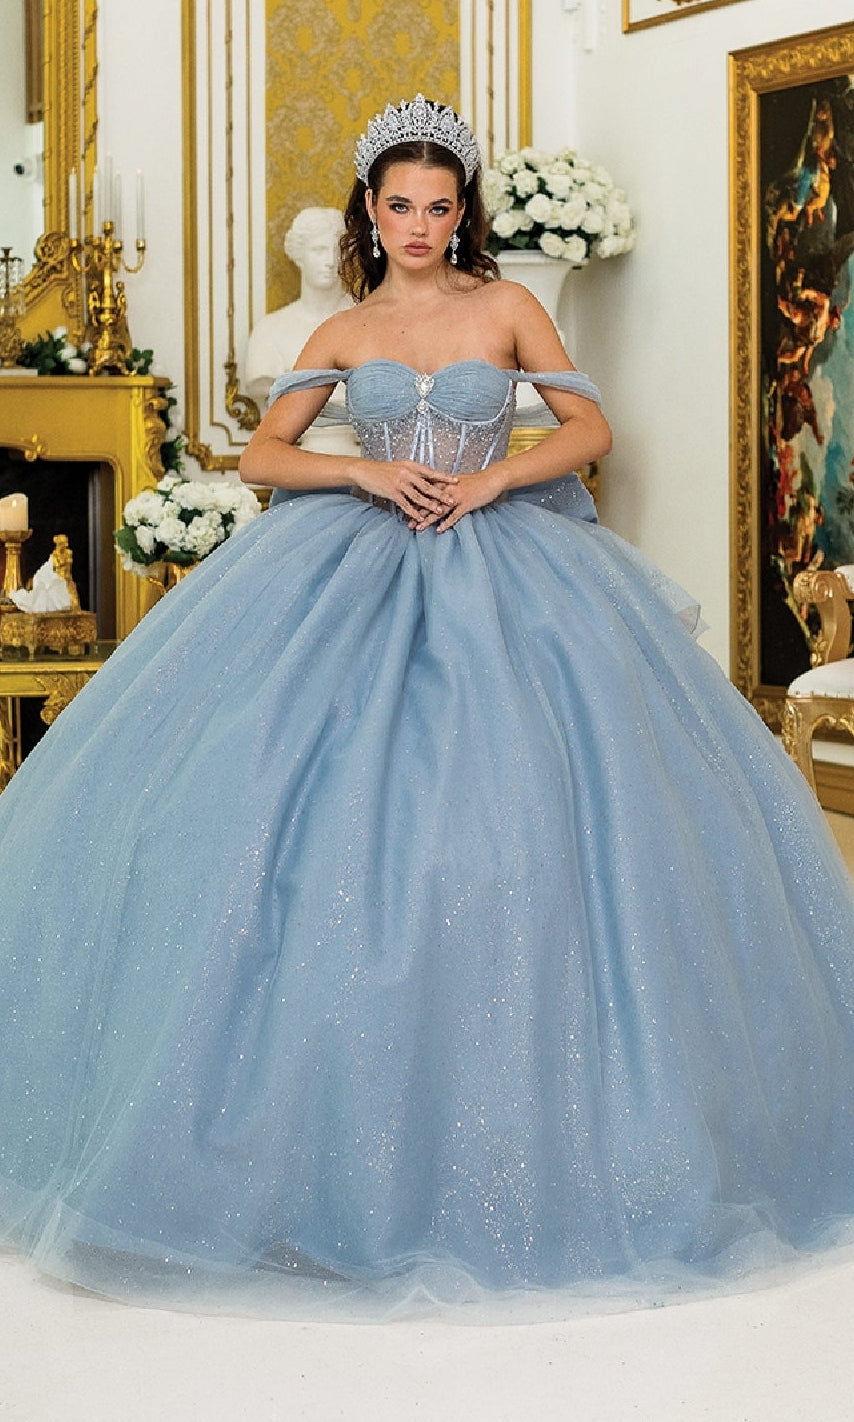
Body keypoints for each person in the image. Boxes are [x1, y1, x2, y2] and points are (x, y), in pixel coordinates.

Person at [1, 95, 854, 1324]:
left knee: (528, 813)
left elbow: (590, 427)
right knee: (294, 806)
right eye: (397, 205)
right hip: (349, 560)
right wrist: (362, 468)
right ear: (370, 211)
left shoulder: (502, 307)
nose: (416, 224)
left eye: (437, 206)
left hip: (509, 562)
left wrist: (494, 474)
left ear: (464, 214)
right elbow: (263, 458)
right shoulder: (343, 327)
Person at [243, 206, 355, 456]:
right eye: (319, 250)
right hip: (295, 460)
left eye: (337, 251)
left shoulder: (367, 324)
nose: (330, 261)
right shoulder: (269, 331)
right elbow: (260, 382)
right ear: (298, 255)